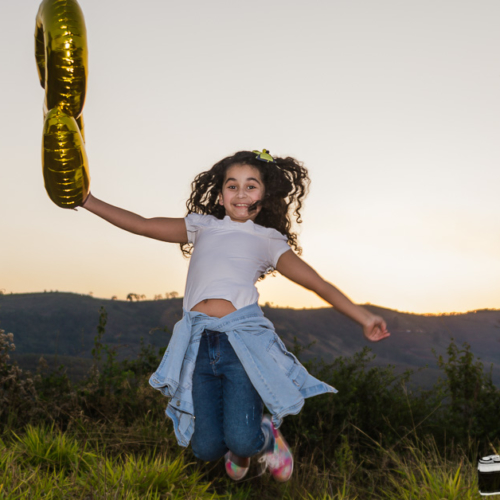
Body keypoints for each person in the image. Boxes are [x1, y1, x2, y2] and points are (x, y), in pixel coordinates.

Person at [82, 149, 390, 482]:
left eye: (251, 186)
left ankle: (264, 436)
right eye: (232, 186)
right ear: (219, 194)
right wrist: (87, 200)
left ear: (265, 195)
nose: (241, 194)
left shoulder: (269, 240)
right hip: (198, 344)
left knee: (242, 438)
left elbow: (317, 283)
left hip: (240, 344)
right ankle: (240, 445)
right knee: (205, 449)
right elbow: (141, 225)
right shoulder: (202, 226)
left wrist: (363, 317)